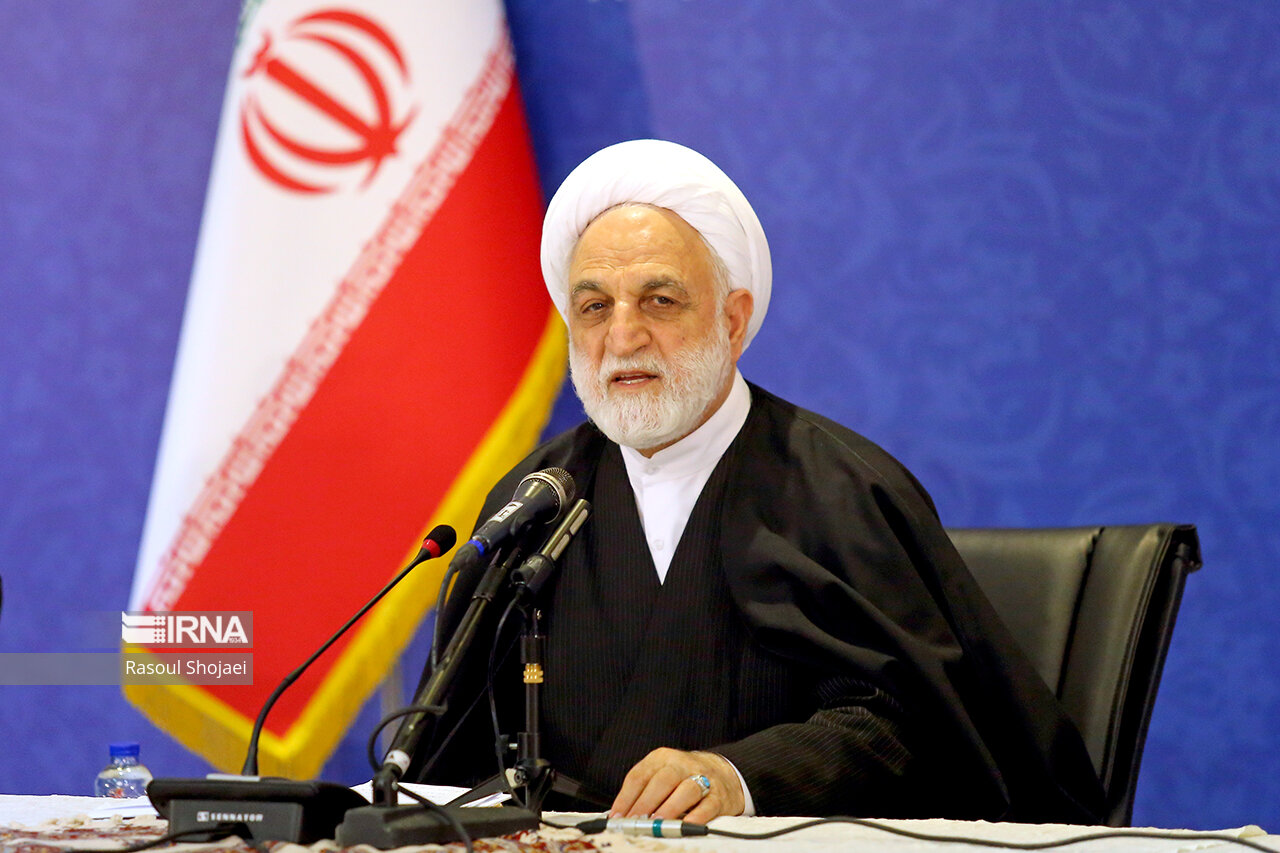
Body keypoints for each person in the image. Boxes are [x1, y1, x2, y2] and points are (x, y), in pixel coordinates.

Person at [408, 140, 1104, 823]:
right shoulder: (535, 499)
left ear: (733, 320)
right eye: (594, 307)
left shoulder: (842, 491)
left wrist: (740, 778)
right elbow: (451, 753)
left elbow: (911, 730)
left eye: (659, 300)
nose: (622, 337)